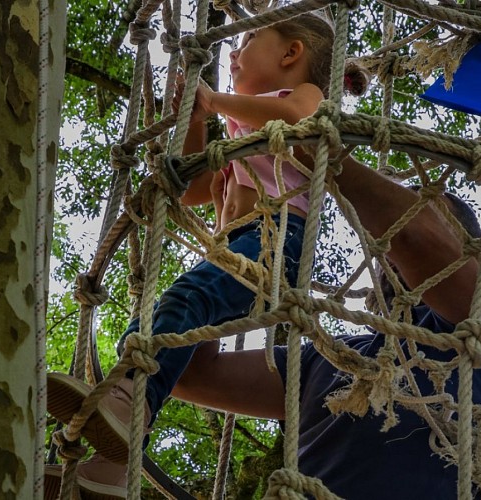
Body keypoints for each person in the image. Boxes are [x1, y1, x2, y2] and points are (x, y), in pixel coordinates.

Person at [45, 11, 367, 499]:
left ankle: (130, 404)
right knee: (156, 327)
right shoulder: (243, 134)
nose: (234, 54)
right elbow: (196, 190)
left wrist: (214, 100)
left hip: (279, 237)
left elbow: (301, 118)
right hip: (239, 245)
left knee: (182, 301)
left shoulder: (302, 100)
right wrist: (195, 121)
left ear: (290, 54)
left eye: (249, 39)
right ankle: (109, 466)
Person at [171, 160, 481, 499]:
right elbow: (188, 373)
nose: (389, 239)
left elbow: (414, 237)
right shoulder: (333, 355)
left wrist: (323, 154)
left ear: (472, 253)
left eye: (421, 211)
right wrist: (232, 253)